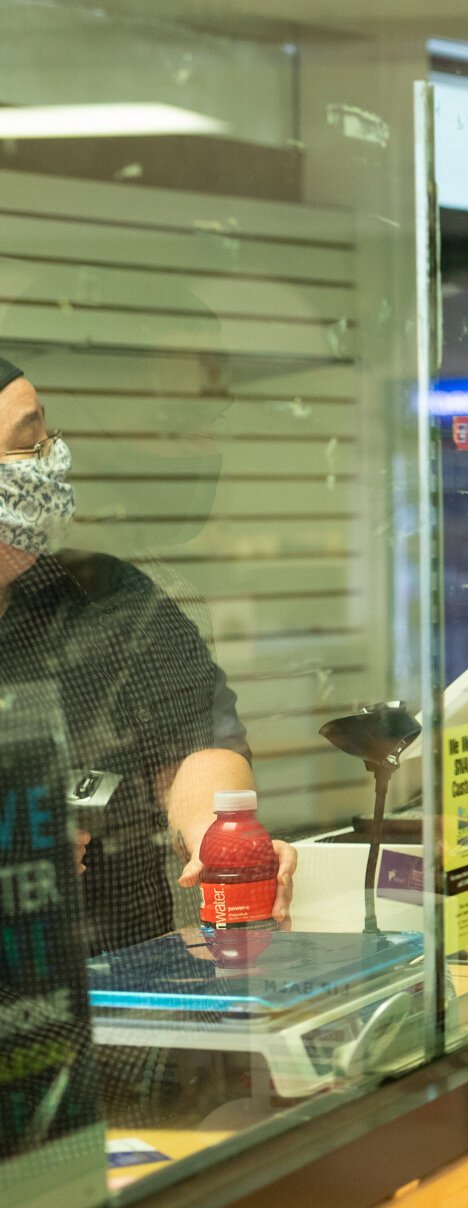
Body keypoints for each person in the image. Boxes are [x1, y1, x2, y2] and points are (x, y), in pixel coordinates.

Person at [0, 354, 295, 957]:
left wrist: (222, 839)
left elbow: (197, 743)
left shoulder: (103, 594)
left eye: (46, 436)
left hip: (131, 995)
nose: (52, 461)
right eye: (26, 446)